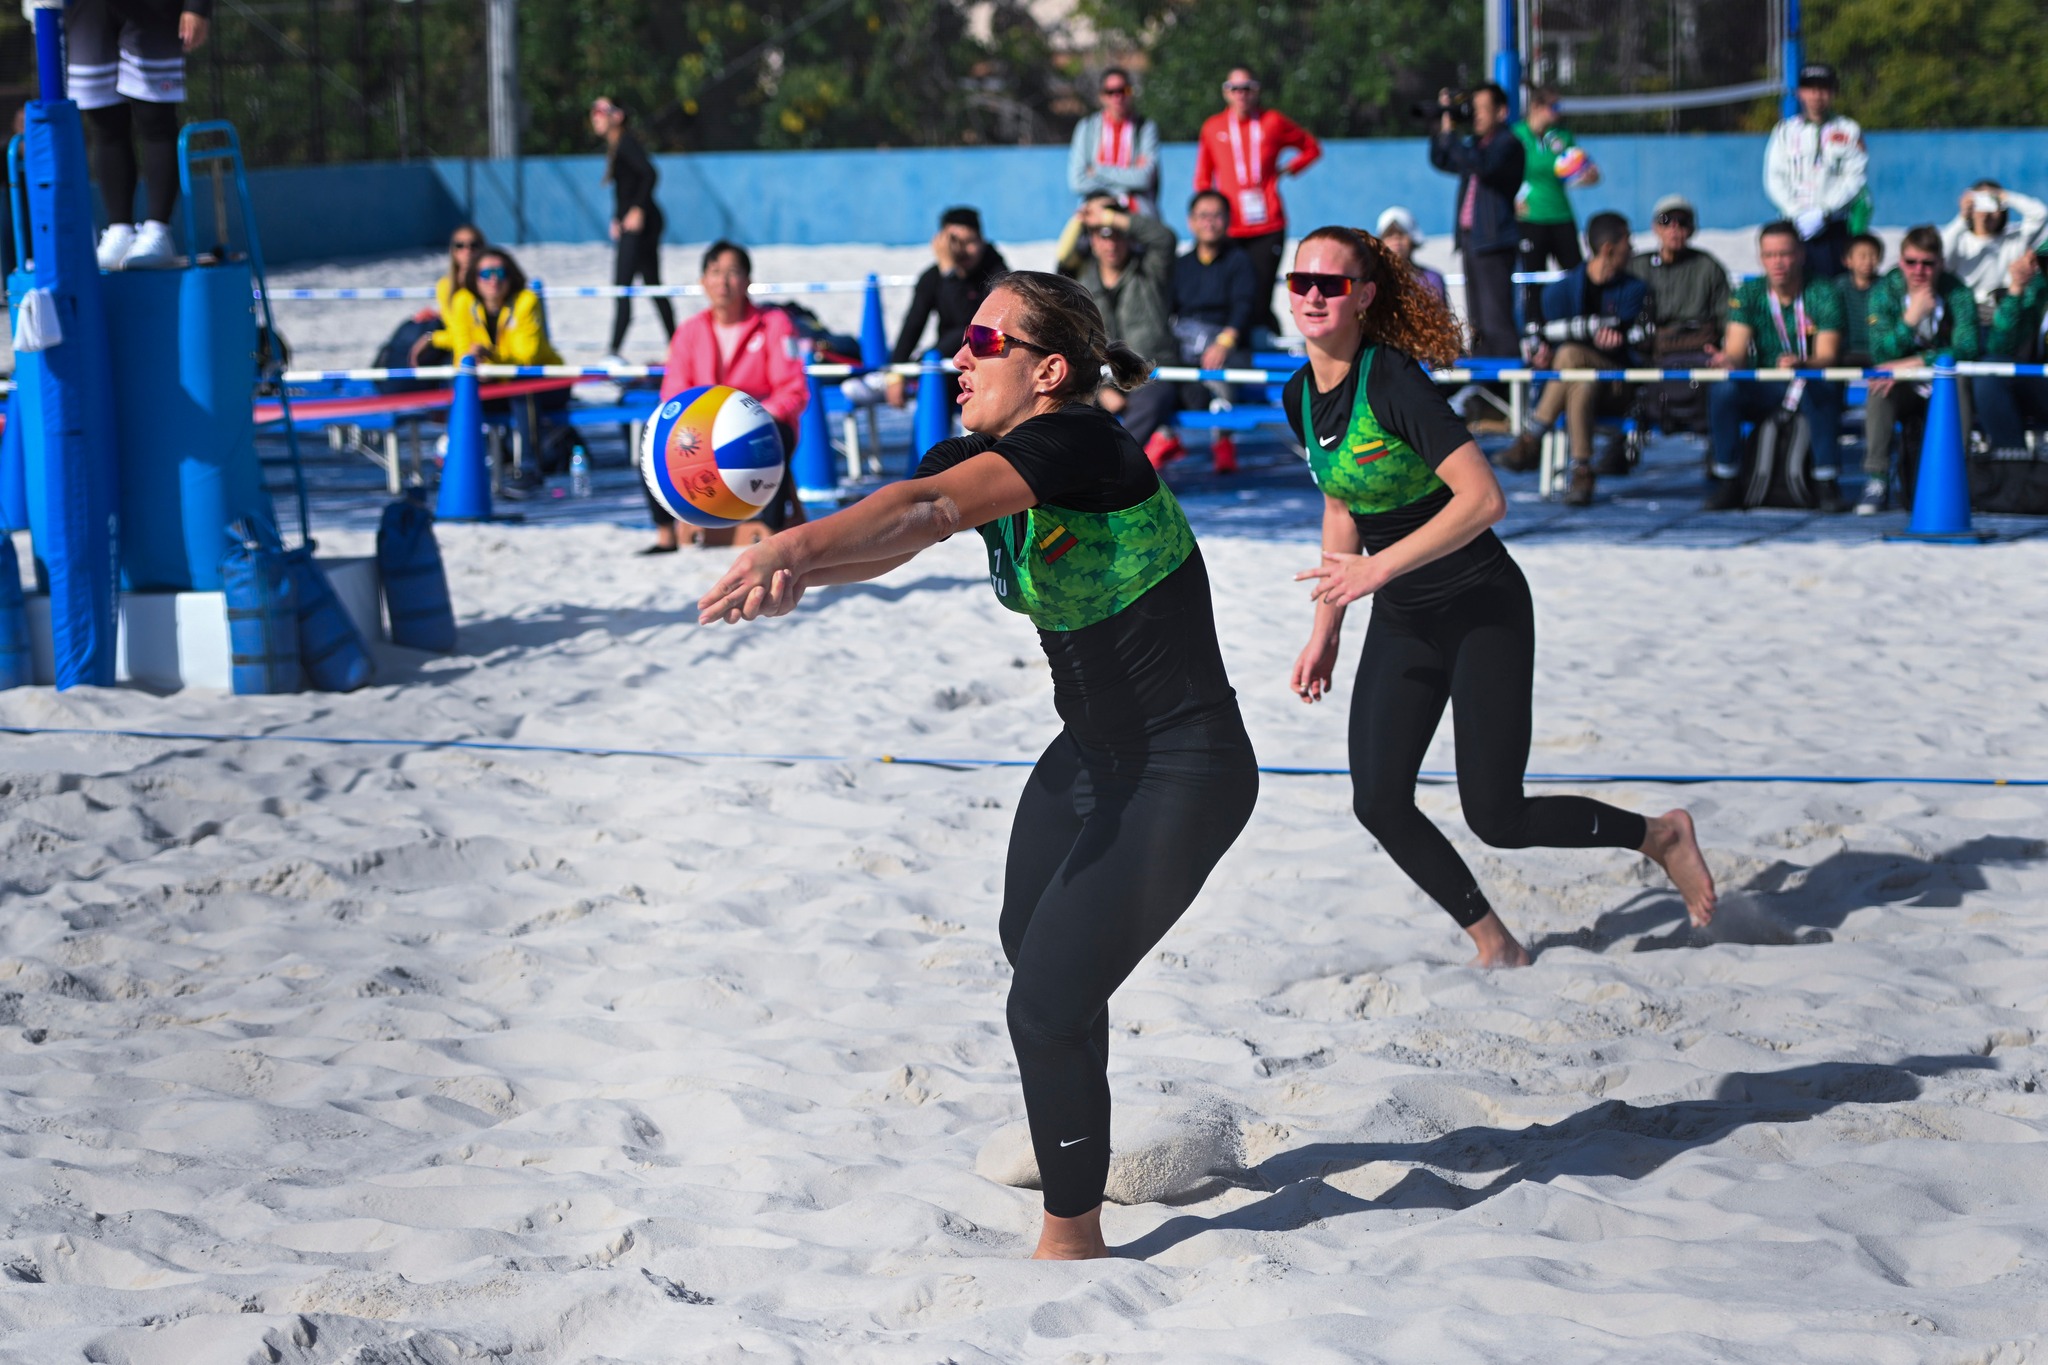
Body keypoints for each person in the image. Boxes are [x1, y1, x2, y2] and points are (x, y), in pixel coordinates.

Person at [696, 270, 1258, 1261]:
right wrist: (800, 569)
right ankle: (1072, 1135)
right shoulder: (985, 453)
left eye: (981, 341)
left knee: (1042, 1004)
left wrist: (789, 539)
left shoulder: (1080, 441)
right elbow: (899, 535)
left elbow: (920, 511)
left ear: (1047, 371)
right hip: (1089, 754)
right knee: (1030, 948)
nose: (957, 356)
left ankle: (1071, 1237)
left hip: (1186, 765)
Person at [1279, 224, 1715, 968]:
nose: (1315, 296)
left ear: (1365, 296)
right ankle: (1497, 943)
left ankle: (1661, 834)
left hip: (1483, 603)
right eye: (1302, 283)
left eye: (1332, 284)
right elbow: (1342, 508)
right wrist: (1328, 628)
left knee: (1498, 815)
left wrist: (1377, 572)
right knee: (1378, 800)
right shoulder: (1299, 396)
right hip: (1407, 614)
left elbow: (1485, 500)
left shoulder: (1391, 379)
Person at [645, 240, 812, 552]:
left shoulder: (775, 324)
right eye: (715, 272)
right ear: (702, 281)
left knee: (768, 438)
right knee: (653, 436)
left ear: (747, 280)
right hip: (702, 428)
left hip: (763, 421)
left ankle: (773, 531)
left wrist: (755, 417)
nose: (723, 281)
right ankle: (665, 534)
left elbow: (793, 389)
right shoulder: (689, 331)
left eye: (732, 272)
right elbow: (673, 393)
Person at [1495, 212, 1647, 505]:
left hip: (1617, 383)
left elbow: (1639, 343)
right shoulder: (1560, 292)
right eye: (1628, 241)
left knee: (1569, 354)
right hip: (1578, 386)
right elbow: (1540, 339)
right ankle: (1582, 470)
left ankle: (1532, 438)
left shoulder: (1634, 290)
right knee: (1580, 381)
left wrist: (1617, 344)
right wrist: (1541, 355)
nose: (1633, 248)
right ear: (1608, 249)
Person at [1704, 221, 1847, 512]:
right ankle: (1727, 479)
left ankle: (1825, 481)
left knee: (1820, 384)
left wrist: (1802, 363)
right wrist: (1726, 360)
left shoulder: (1823, 291)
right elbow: (1736, 352)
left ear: (1801, 254)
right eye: (1769, 255)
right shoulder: (1749, 293)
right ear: (1760, 258)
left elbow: (1828, 356)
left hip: (1808, 378)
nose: (1777, 262)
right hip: (1766, 385)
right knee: (1723, 388)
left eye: (1785, 254)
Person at [68, 0, 211, 270]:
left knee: (155, 120)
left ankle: (158, 231)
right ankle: (119, 229)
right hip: (89, 9)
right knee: (104, 124)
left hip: (154, 11)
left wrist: (198, 7)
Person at [1860, 225, 1982, 514]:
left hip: (1940, 381)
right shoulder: (1884, 292)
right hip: (1902, 384)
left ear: (1940, 263)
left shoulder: (1957, 292)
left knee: (1958, 378)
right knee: (1880, 384)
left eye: (1927, 263)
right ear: (1901, 261)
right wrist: (1910, 320)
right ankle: (1876, 478)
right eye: (1911, 262)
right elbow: (1880, 353)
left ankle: (1957, 474)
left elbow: (1967, 348)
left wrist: (1915, 361)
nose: (1919, 271)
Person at [1193, 67, 1321, 336]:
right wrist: (1205, 217)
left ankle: (1264, 344)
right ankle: (1236, 345)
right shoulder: (1213, 127)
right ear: (1225, 92)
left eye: (1247, 88)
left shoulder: (1272, 121)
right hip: (1228, 226)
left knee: (1260, 294)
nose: (1241, 94)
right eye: (1235, 88)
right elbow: (1203, 179)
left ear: (1256, 91)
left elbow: (1311, 147)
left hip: (1267, 224)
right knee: (1230, 292)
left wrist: (1289, 169)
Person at [1055, 194, 1179, 462]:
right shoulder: (1081, 280)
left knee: (1152, 401)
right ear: (1091, 240)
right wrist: (1101, 389)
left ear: (1128, 236)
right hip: (1103, 377)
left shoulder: (1150, 270)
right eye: (1102, 235)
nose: (1110, 244)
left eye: (1117, 234)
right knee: (1068, 401)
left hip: (1151, 373)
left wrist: (1109, 217)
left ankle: (1110, 467)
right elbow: (1062, 257)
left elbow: (1164, 239)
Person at [1428, 83, 1525, 360]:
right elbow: (1442, 159)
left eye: (1482, 109)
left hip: (1494, 240)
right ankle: (1484, 387)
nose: (1476, 116)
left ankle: (1507, 385)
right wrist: (1444, 124)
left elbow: (1483, 166)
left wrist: (1454, 139)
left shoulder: (1507, 145)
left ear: (1502, 112)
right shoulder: (1474, 148)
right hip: (1473, 239)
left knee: (1496, 319)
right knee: (1478, 322)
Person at [1627, 194, 1730, 441]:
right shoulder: (1637, 267)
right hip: (1649, 352)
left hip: (1698, 351)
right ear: (1655, 227)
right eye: (1666, 220)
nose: (1674, 228)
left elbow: (1726, 317)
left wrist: (1726, 350)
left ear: (1693, 229)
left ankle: (1722, 458)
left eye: (1682, 221)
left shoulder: (1707, 266)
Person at [886, 207, 1010, 412]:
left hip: (988, 365)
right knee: (933, 374)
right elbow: (913, 325)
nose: (961, 251)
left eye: (969, 242)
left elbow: (970, 326)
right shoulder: (933, 277)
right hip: (948, 365)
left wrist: (950, 273)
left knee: (945, 350)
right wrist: (895, 373)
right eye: (954, 243)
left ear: (982, 241)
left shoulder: (998, 276)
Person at [1169, 189, 1258, 472]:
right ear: (1191, 221)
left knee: (1220, 369)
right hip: (1184, 342)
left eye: (1217, 215)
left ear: (1228, 220)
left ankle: (1223, 442)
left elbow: (1244, 307)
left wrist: (1224, 341)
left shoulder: (1240, 262)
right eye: (1203, 215)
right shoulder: (1180, 265)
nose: (1210, 222)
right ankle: (1165, 437)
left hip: (1225, 343)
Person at [1763, 62, 1867, 280]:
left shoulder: (1848, 130)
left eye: (1824, 88)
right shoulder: (1785, 131)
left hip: (1833, 227)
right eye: (1810, 88)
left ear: (1833, 92)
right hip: (1793, 225)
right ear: (1800, 92)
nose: (1817, 95)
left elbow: (1855, 177)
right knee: (1792, 287)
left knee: (1833, 288)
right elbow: (1774, 177)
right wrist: (1795, 212)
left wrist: (1824, 212)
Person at [592, 97, 676, 363]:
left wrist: (637, 209)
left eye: (600, 111)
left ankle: (613, 351)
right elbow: (626, 188)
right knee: (651, 285)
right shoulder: (618, 145)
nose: (595, 116)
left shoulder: (626, 142)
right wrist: (618, 217)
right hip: (639, 224)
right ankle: (675, 343)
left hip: (643, 225)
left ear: (616, 116)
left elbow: (650, 174)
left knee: (623, 287)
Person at [1511, 88, 1599, 326]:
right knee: (1532, 277)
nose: (1558, 113)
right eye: (1554, 107)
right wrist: (1512, 200)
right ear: (1537, 107)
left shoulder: (1562, 137)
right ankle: (1534, 328)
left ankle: (1582, 320)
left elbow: (1583, 173)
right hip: (1530, 217)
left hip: (1560, 214)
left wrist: (1588, 175)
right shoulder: (1516, 135)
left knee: (1576, 273)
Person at [1940, 180, 2048, 324]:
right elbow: (1939, 253)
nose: (1986, 213)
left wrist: (2006, 196)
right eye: (1980, 202)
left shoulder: (2015, 239)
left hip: (2006, 314)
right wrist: (1962, 217)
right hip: (1966, 317)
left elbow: (2040, 214)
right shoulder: (1960, 241)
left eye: (1991, 203)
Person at [1067, 67, 1160, 215]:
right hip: (1096, 209)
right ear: (1102, 96)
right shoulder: (1087, 127)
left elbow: (1144, 179)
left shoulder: (1145, 128)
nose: (1117, 97)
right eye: (1110, 92)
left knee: (1163, 237)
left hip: (1135, 211)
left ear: (1131, 92)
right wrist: (1128, 178)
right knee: (1070, 236)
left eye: (1123, 90)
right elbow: (1077, 182)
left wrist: (1097, 171)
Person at [1377, 206, 1448, 306]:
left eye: (1401, 233)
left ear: (1413, 239)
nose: (1396, 238)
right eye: (1389, 234)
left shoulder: (1431, 279)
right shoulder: (1374, 280)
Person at [1836, 232, 1884, 367]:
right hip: (1845, 353)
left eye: (1873, 255)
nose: (1868, 261)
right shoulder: (1838, 288)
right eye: (1862, 256)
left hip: (1877, 355)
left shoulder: (1886, 287)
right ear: (1847, 260)